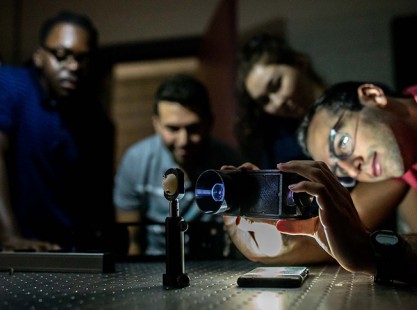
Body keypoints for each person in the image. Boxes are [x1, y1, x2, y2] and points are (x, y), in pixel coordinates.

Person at [0, 11, 116, 252]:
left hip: (71, 252)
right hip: (19, 250)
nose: (73, 66)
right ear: (39, 56)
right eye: (61, 55)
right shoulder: (10, 85)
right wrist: (9, 236)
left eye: (82, 58)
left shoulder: (94, 116)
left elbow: (99, 194)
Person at [113, 74, 246, 257]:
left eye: (193, 128)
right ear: (156, 123)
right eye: (173, 129)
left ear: (209, 123)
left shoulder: (230, 164)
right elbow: (131, 242)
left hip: (213, 265)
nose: (183, 141)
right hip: (152, 265)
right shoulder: (135, 161)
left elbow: (240, 238)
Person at [297, 80, 417, 226]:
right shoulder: (407, 158)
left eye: (342, 144)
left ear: (372, 97)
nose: (353, 171)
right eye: (341, 172)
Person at [275, 160, 417, 285]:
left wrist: (370, 252)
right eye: (340, 170)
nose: (352, 168)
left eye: (342, 141)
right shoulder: (412, 172)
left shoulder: (402, 168)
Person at [235, 33, 326, 168]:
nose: (277, 103)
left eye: (277, 85)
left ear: (299, 63)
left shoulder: (350, 105)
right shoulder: (279, 143)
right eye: (264, 100)